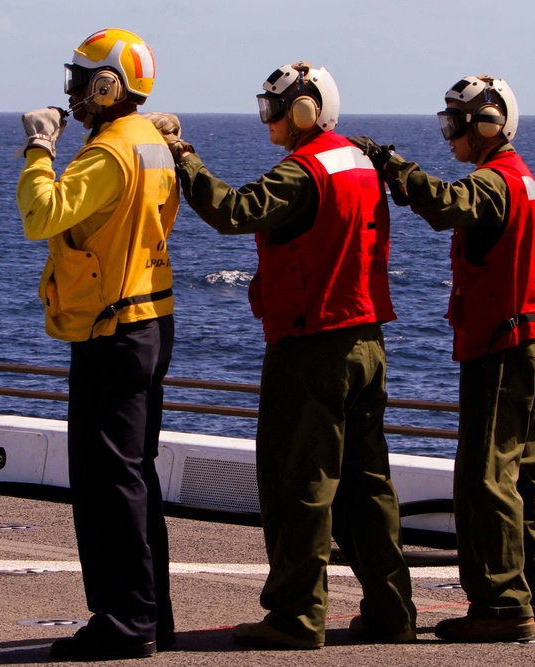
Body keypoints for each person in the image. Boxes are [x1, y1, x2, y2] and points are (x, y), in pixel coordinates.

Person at [151, 61, 417, 649]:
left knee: (299, 481)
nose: (267, 117)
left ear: (302, 111)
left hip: (312, 344)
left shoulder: (305, 170)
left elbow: (234, 211)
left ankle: (296, 617)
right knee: (369, 486)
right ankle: (393, 611)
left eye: (274, 107)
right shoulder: (361, 162)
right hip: (366, 341)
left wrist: (184, 157)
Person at [355, 74, 535, 643]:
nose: (450, 137)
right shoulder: (527, 184)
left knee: (485, 477)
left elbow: (447, 204)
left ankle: (500, 603)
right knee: (522, 475)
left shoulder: (494, 183)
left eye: (455, 125)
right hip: (527, 344)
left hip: (499, 348)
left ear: (488, 125)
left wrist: (394, 168)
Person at [16, 28, 178, 661]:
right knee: (134, 477)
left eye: (81, 81)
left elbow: (39, 216)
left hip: (113, 331)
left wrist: (38, 147)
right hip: (149, 321)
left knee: (108, 482)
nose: (73, 92)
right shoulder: (147, 142)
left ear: (110, 85)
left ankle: (125, 623)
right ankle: (149, 614)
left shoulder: (110, 153)